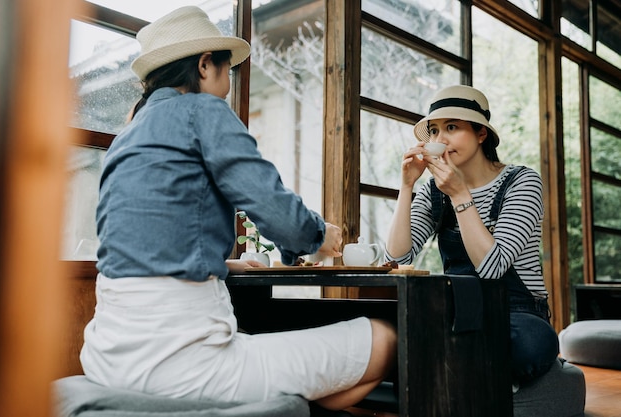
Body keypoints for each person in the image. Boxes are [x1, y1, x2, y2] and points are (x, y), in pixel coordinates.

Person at [80, 6, 396, 412]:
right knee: (386, 337)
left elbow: (144, 246)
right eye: (227, 70)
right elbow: (281, 215)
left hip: (107, 358)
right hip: (178, 364)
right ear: (204, 63)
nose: (227, 84)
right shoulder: (203, 111)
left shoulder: (125, 140)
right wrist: (321, 235)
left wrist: (228, 265)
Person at [385, 85, 559, 386]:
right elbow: (397, 257)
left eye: (452, 127)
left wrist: (460, 194)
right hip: (457, 308)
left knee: (529, 345)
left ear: (481, 133)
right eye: (435, 131)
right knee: (387, 333)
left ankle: (447, 363)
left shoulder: (522, 181)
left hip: (516, 313)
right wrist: (407, 187)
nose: (441, 139)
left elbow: (492, 268)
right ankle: (465, 365)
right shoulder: (432, 190)